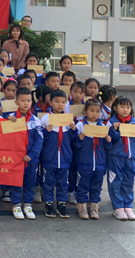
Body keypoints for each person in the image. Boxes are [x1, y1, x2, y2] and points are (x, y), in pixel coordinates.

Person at [108, 96, 135, 221]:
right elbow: (109, 141)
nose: (125, 109)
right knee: (115, 182)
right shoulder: (111, 122)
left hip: (131, 157)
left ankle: (128, 206)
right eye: (122, 107)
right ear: (115, 108)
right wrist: (114, 130)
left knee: (129, 181)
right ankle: (118, 207)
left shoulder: (134, 122)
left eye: (128, 107)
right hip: (116, 158)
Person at [4, 87, 44, 220]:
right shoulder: (11, 118)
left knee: (30, 182)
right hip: (16, 158)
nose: (26, 103)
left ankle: (27, 205)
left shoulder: (35, 120)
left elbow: (39, 139)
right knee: (16, 181)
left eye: (28, 100)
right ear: (16, 102)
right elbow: (3, 137)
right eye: (23, 100)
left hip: (31, 158)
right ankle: (16, 205)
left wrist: (32, 154)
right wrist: (6, 119)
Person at [40, 90, 78, 219]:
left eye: (63, 102)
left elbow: (74, 140)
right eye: (56, 101)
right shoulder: (45, 119)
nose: (60, 104)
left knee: (63, 182)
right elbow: (40, 138)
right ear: (50, 102)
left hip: (65, 157)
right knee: (48, 181)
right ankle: (49, 203)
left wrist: (74, 130)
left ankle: (61, 203)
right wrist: (46, 132)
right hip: (49, 157)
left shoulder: (68, 119)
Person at [74, 99, 112, 220]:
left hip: (100, 163)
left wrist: (108, 141)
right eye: (91, 110)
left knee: (97, 186)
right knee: (82, 185)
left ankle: (94, 206)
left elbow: (108, 147)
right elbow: (75, 145)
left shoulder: (103, 126)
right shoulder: (80, 125)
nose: (94, 114)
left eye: (97, 111)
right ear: (85, 111)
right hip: (84, 163)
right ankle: (81, 206)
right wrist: (79, 139)